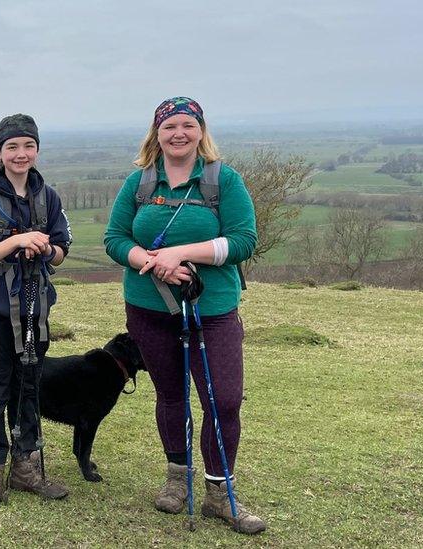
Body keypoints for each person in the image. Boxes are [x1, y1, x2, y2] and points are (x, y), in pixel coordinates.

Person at [104, 97, 266, 534]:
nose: (179, 133)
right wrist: (152, 261)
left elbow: (244, 240)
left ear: (201, 132)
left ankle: (219, 491)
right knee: (171, 395)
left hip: (212, 309)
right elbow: (115, 238)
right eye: (169, 125)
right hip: (148, 308)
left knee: (224, 400)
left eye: (187, 125)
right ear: (156, 133)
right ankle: (178, 476)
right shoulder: (139, 183)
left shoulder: (223, 181)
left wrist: (181, 253)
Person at [0, 113, 73, 502]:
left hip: (34, 309)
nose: (20, 154)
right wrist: (15, 241)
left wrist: (45, 248)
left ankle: (26, 466)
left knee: (29, 384)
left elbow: (61, 252)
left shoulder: (49, 197)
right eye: (12, 147)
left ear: (37, 150)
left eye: (28, 146)